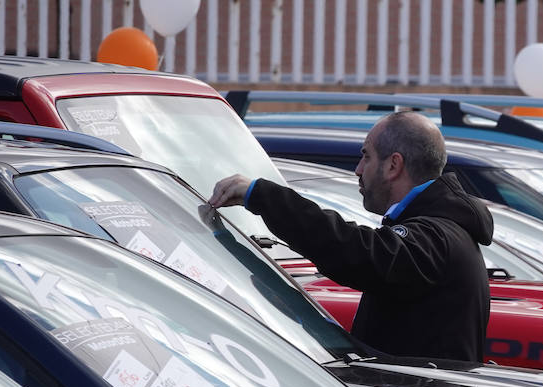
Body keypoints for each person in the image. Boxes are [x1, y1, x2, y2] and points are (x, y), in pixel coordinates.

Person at [209, 110, 493, 362]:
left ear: (394, 165)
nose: (358, 169)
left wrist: (263, 196)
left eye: (366, 156)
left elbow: (357, 251)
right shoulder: (444, 229)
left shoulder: (435, 237)